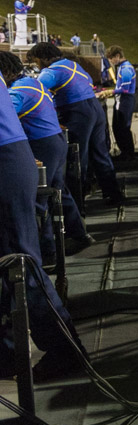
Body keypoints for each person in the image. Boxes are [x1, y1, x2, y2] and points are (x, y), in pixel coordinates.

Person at [0, 74, 89, 380]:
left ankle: (64, 351)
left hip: (5, 163)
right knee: (7, 266)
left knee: (20, 263)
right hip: (11, 158)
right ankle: (7, 354)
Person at [0, 52, 93, 261]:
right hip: (55, 140)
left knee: (40, 198)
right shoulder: (31, 83)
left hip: (43, 144)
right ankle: (79, 233)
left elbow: (7, 116)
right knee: (59, 191)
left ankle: (49, 248)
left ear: (5, 71)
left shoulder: (18, 92)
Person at [26, 42, 122, 207]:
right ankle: (114, 194)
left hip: (78, 113)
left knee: (78, 159)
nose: (37, 66)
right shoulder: (73, 65)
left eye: (36, 62)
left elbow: (35, 90)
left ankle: (79, 204)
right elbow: (88, 81)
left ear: (44, 58)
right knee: (100, 153)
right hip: (94, 108)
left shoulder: (52, 71)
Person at [105, 46, 137, 161]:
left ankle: (128, 154)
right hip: (121, 101)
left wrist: (111, 91)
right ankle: (125, 152)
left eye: (111, 59)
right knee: (117, 127)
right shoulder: (122, 67)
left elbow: (125, 89)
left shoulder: (126, 69)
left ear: (117, 56)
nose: (111, 62)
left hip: (125, 101)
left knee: (123, 128)